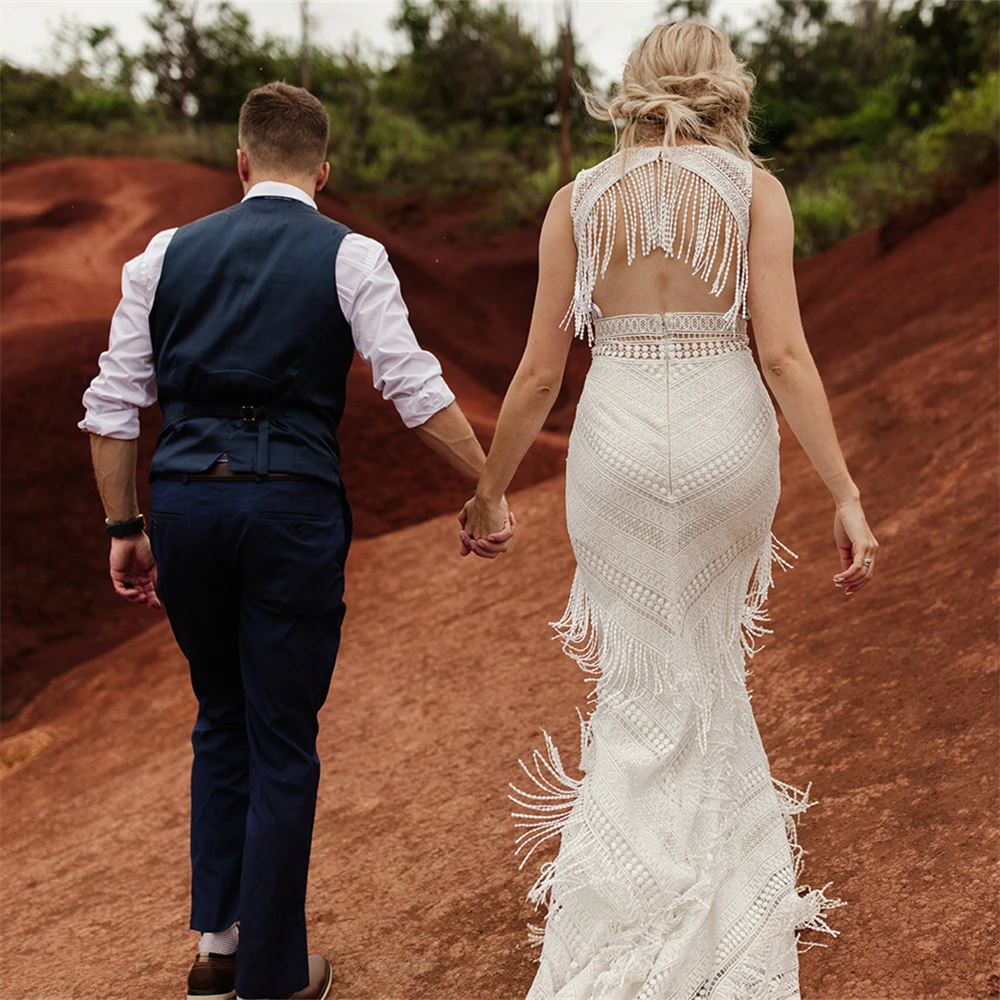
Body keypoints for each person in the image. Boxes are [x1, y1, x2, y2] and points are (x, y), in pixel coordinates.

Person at [459, 20, 878, 1000]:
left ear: (634, 87)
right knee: (707, 660)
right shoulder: (752, 192)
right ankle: (723, 904)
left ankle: (632, 904)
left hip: (613, 448)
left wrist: (487, 490)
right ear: (726, 85)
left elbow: (535, 374)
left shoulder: (577, 201)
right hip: (726, 435)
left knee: (640, 678)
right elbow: (781, 355)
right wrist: (846, 494)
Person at [79, 81, 513, 1000]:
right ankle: (274, 977)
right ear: (323, 170)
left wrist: (125, 528)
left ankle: (219, 947)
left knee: (219, 717)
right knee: (283, 735)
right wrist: (486, 491)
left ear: (239, 163)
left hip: (186, 508)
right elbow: (415, 390)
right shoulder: (350, 254)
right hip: (291, 510)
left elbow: (113, 406)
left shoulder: (161, 256)